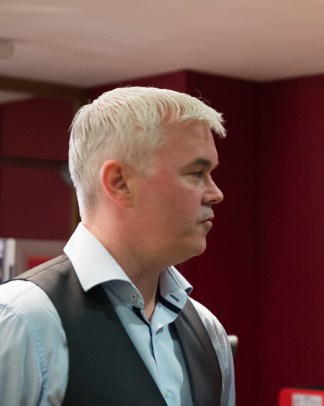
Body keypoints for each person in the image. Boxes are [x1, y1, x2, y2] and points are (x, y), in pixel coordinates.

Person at [0, 87, 235, 405]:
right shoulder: (22, 320)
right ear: (119, 182)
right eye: (196, 173)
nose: (216, 193)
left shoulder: (209, 333)